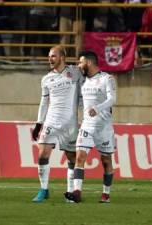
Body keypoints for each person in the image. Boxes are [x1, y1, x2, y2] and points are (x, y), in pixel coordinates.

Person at [31, 45, 83, 203]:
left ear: (62, 57)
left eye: (53, 56)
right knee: (42, 155)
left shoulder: (75, 72)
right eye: (49, 56)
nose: (50, 59)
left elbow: (85, 89)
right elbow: (44, 102)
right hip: (51, 121)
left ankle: (70, 192)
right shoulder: (46, 78)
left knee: (72, 158)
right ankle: (44, 189)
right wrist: (39, 124)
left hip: (70, 123)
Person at [64, 50, 117, 203]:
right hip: (87, 125)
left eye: (80, 62)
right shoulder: (83, 81)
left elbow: (112, 99)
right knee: (80, 157)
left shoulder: (107, 78)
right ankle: (77, 192)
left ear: (88, 62)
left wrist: (98, 108)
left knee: (106, 161)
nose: (79, 66)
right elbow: (82, 101)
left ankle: (106, 194)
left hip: (104, 128)